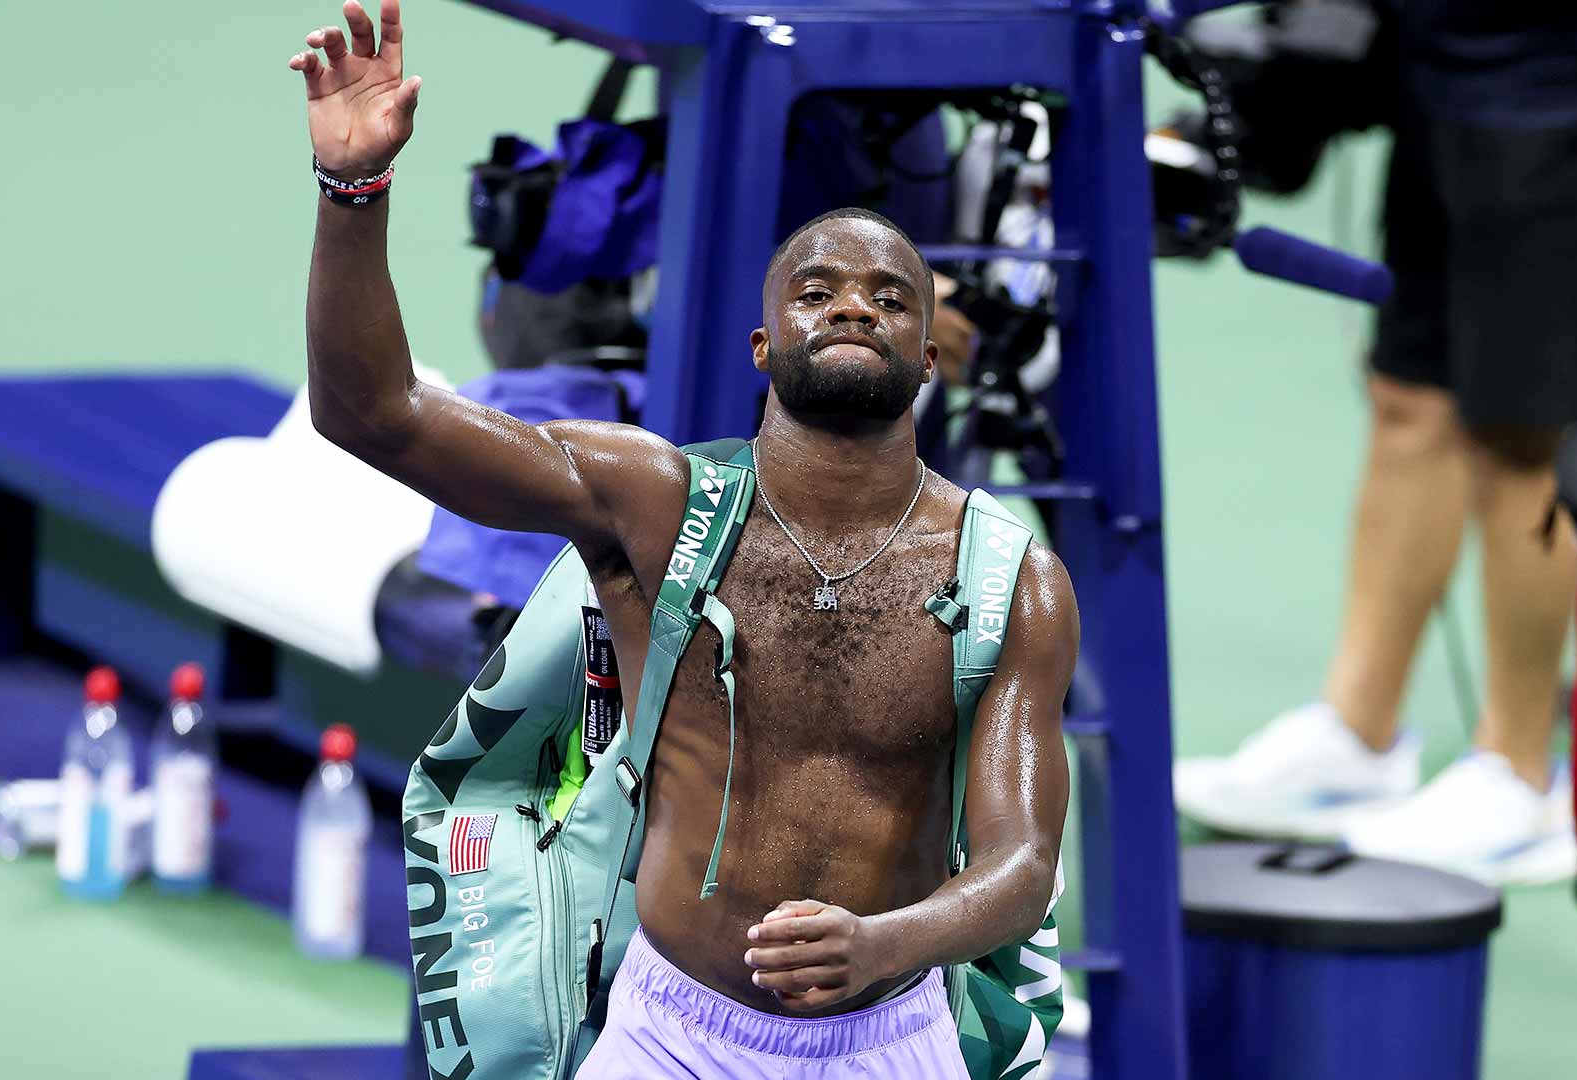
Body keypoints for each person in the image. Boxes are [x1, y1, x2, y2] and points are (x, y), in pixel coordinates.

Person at [285, 2, 1078, 1075]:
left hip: (893, 1043)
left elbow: (1022, 864)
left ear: (930, 358)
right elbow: (373, 412)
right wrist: (353, 190)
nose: (854, 308)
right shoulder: (651, 503)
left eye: (890, 298)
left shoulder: (1008, 580)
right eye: (817, 291)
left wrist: (883, 944)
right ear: (762, 344)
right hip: (674, 1040)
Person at [1176, 1, 1577, 886]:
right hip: (1432, 58)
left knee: (1521, 437)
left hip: (1557, 79)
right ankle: (1358, 733)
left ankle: (1521, 777)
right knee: (1412, 397)